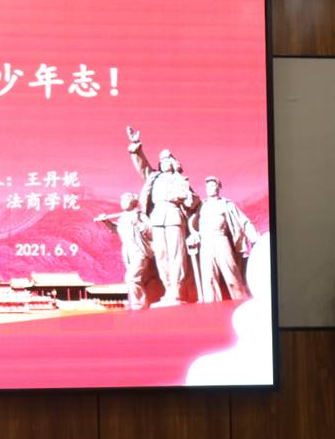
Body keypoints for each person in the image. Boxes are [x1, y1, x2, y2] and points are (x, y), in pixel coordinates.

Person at [126, 126, 200, 305]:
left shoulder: (181, 180)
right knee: (161, 255)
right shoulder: (154, 178)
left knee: (177, 255)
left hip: (174, 217)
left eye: (168, 160)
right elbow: (143, 166)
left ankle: (177, 290)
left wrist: (186, 198)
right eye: (162, 161)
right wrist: (136, 146)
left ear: (174, 162)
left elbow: (193, 202)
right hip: (157, 218)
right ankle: (168, 289)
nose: (164, 163)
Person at [187, 176, 260, 301]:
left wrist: (255, 239)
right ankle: (211, 307)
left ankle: (239, 301)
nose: (209, 188)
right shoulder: (201, 205)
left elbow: (243, 222)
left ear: (218, 188)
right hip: (206, 243)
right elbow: (194, 224)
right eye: (208, 186)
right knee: (209, 279)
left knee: (231, 275)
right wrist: (195, 235)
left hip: (221, 239)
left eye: (213, 185)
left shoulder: (226, 204)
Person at [94, 192, 164, 309]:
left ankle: (138, 305)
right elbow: (117, 230)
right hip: (127, 251)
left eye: (126, 199)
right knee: (135, 279)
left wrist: (141, 226)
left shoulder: (139, 215)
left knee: (131, 278)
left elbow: (151, 229)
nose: (123, 202)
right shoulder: (123, 218)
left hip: (139, 250)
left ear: (132, 202)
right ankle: (139, 303)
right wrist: (106, 222)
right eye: (122, 200)